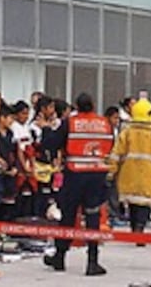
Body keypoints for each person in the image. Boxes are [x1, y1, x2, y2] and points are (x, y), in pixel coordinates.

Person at [43, 92, 114, 276]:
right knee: (92, 217)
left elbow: (50, 144)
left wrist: (46, 129)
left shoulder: (70, 123)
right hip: (97, 175)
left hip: (75, 175)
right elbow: (110, 145)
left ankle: (60, 256)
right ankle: (93, 262)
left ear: (77, 105)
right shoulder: (104, 123)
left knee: (68, 216)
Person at [107, 98, 151, 241]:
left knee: (132, 204)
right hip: (149, 177)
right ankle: (140, 229)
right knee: (144, 204)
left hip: (128, 176)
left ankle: (134, 230)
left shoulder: (126, 133)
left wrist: (111, 171)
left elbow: (116, 153)